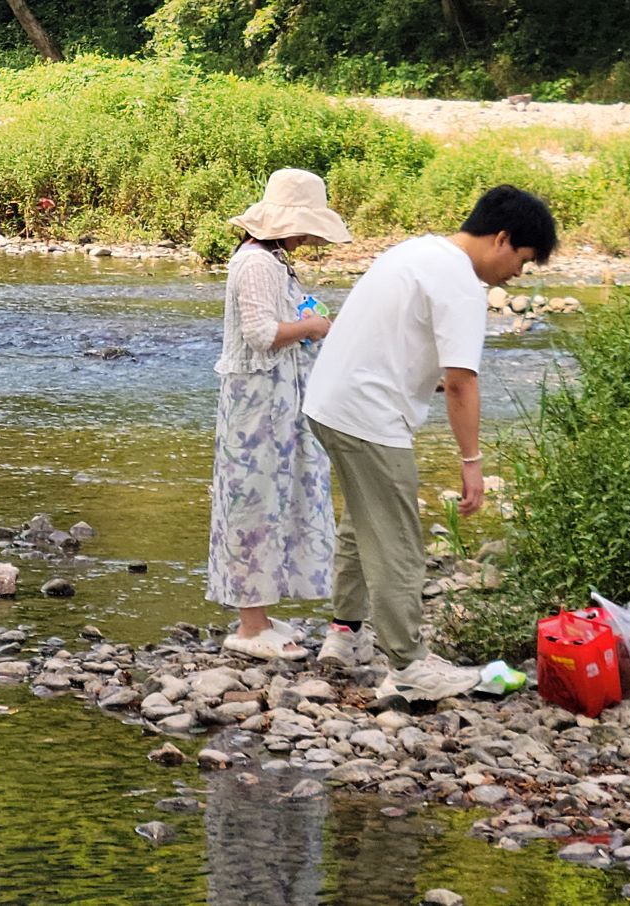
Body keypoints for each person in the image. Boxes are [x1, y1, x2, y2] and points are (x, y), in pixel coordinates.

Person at [303, 184, 557, 698]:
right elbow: (463, 381)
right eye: (523, 261)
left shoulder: (416, 250)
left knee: (363, 517)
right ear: (502, 238)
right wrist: (472, 462)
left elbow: (395, 340)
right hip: (367, 416)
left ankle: (346, 633)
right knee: (398, 541)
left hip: (329, 401)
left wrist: (421, 378)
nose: (516, 274)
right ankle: (410, 668)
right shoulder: (462, 284)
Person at [207, 168, 349, 661]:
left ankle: (260, 616)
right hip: (257, 405)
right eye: (308, 226)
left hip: (272, 400)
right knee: (253, 504)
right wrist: (314, 325)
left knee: (271, 500)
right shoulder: (256, 264)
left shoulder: (270, 259)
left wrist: (311, 325)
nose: (310, 237)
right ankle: (249, 627)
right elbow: (261, 334)